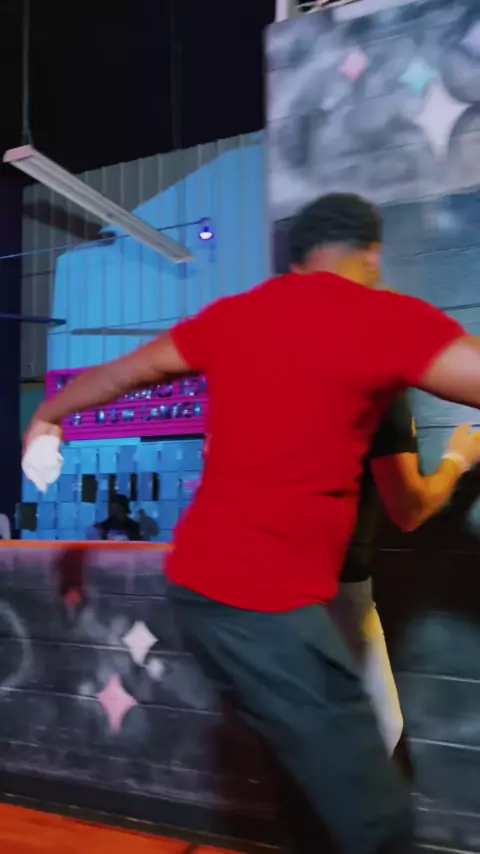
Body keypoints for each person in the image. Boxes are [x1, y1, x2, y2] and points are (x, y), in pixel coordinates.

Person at [23, 193, 480, 854]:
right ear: (371, 254)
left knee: (317, 781)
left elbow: (123, 372)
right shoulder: (381, 318)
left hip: (204, 590)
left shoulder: (234, 315)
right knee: (375, 818)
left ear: (296, 258)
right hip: (262, 601)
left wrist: (48, 415)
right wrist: (461, 458)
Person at [331, 397, 480, 769]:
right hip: (334, 586)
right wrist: (458, 460)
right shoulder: (382, 401)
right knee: (377, 732)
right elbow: (409, 510)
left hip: (268, 579)